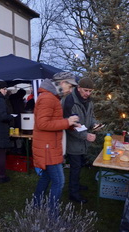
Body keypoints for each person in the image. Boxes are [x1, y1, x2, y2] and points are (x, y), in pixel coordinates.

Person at [32, 78, 79, 210]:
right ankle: (53, 216)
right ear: (62, 82)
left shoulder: (52, 97)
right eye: (69, 87)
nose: (70, 91)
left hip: (50, 145)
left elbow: (53, 121)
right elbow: (42, 124)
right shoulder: (48, 98)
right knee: (59, 181)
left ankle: (36, 205)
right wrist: (67, 122)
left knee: (46, 178)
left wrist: (70, 125)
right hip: (48, 148)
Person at [62, 77, 98, 204]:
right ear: (78, 88)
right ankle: (74, 193)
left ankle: (76, 185)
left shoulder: (89, 101)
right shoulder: (70, 101)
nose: (88, 94)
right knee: (75, 168)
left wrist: (95, 125)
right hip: (73, 141)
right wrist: (85, 136)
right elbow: (70, 126)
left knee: (79, 165)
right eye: (85, 90)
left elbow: (92, 116)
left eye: (90, 91)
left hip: (82, 141)